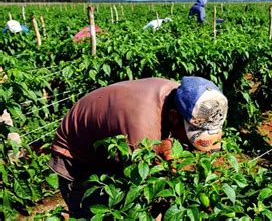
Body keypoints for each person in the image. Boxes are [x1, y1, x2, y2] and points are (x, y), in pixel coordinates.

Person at [47, 76, 228, 218]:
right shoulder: (141, 131)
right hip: (76, 153)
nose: (189, 146)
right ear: (174, 118)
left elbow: (166, 138)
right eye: (190, 138)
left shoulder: (185, 98)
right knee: (88, 211)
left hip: (113, 140)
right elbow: (143, 188)